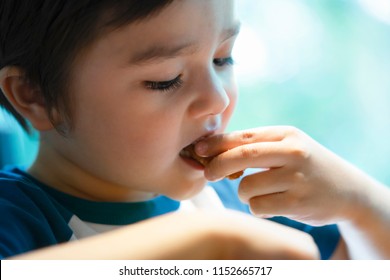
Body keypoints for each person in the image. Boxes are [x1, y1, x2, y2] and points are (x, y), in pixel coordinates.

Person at [0, 0, 388, 260]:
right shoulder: (16, 220)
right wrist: (208, 243)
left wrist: (361, 205)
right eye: (166, 80)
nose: (217, 99)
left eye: (223, 58)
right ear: (35, 96)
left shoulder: (250, 202)